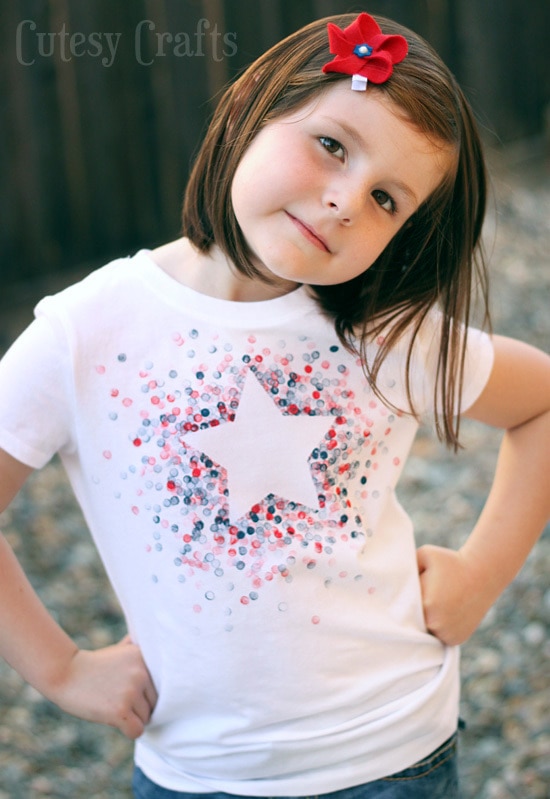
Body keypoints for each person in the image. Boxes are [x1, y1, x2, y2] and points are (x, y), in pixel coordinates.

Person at [0, 11, 548, 799]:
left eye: (387, 198)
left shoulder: (383, 336)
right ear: (251, 100)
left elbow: (540, 404)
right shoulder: (88, 330)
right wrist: (60, 668)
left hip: (396, 756)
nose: (344, 202)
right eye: (331, 145)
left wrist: (482, 573)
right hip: (198, 773)